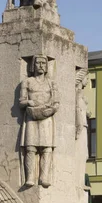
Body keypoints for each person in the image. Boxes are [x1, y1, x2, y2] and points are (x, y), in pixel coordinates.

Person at [19, 55, 59, 187]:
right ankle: (30, 177)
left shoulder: (51, 82)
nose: (41, 65)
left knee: (46, 148)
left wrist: (51, 110)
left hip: (46, 117)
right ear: (33, 65)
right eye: (38, 63)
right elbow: (21, 102)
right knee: (30, 148)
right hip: (31, 117)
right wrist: (29, 102)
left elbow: (56, 103)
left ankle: (44, 177)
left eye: (43, 63)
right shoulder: (27, 81)